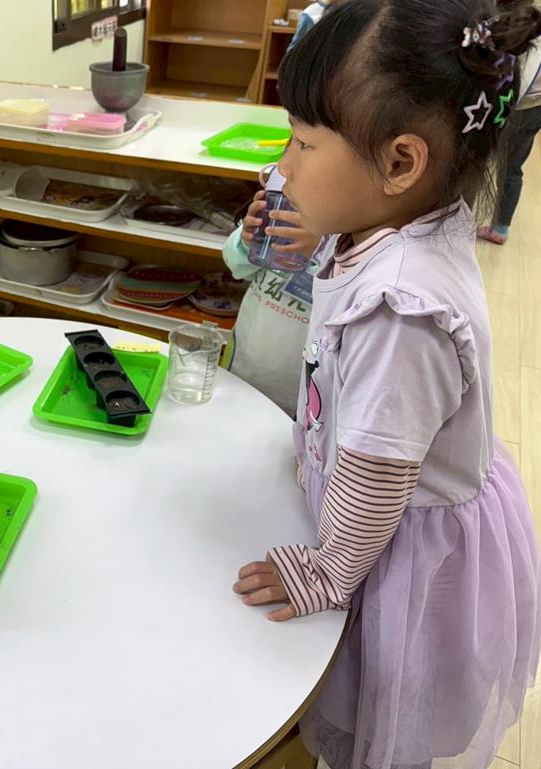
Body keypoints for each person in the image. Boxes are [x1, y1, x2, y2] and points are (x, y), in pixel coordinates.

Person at [231, 3, 541, 769]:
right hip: (382, 510)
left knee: (379, 717)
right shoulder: (394, 222)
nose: (284, 165)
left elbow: (375, 478)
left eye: (303, 142)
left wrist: (327, 571)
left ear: (401, 164)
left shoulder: (400, 311)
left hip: (395, 545)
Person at [221, 182, 324, 414]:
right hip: (243, 366)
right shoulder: (286, 205)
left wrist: (323, 250)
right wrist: (247, 242)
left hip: (303, 392)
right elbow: (236, 266)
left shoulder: (358, 238)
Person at [477, 42, 541, 243]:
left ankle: (459, 216)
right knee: (512, 166)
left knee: (477, 153)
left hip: (518, 102)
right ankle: (500, 227)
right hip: (535, 105)